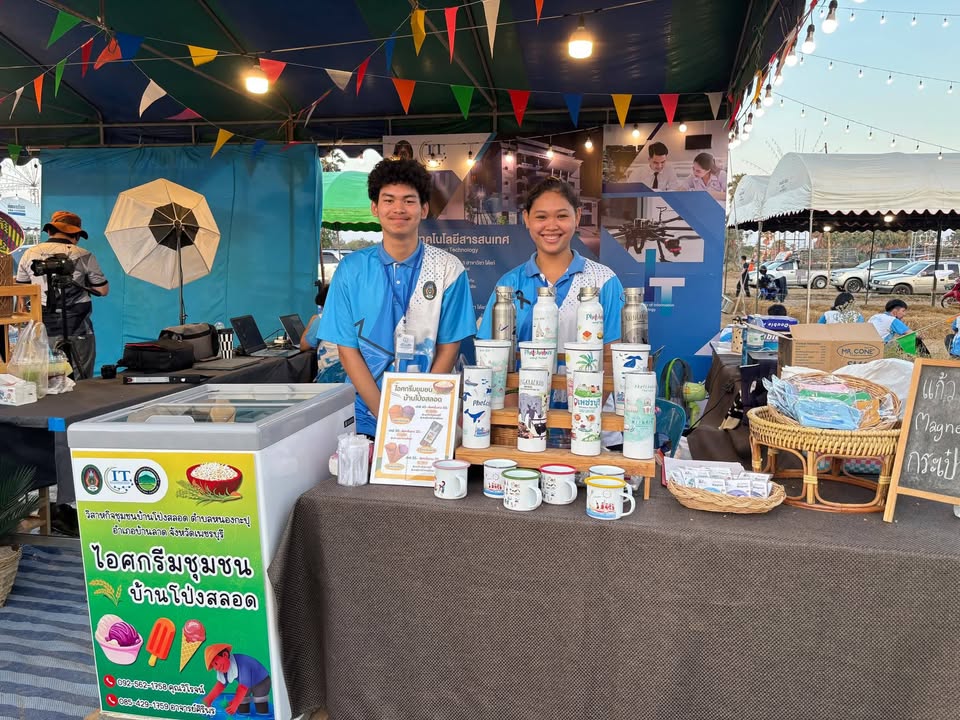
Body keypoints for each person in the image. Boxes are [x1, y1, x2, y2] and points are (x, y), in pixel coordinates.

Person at [318, 158, 476, 438]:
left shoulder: (449, 270)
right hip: (363, 418)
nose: (398, 209)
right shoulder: (350, 270)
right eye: (388, 200)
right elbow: (347, 350)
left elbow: (449, 348)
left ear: (423, 209)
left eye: (409, 201)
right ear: (375, 208)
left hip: (427, 416)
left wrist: (419, 410)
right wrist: (386, 416)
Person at [477, 177, 624, 349]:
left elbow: (613, 356)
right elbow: (490, 353)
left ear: (577, 217)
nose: (552, 226)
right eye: (541, 217)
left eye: (562, 216)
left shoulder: (604, 280)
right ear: (526, 218)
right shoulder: (508, 284)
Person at [15, 210, 109, 379]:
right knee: (82, 380)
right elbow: (102, 290)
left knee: (47, 380)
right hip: (78, 327)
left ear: (50, 231)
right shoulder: (84, 255)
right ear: (76, 235)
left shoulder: (29, 254)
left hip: (42, 328)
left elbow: (22, 290)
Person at [202, 643, 271, 716]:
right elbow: (221, 685)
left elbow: (243, 687)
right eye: (214, 667)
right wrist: (208, 700)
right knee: (242, 706)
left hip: (261, 681)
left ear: (225, 655)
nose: (216, 669)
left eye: (216, 663)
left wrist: (235, 704)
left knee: (260, 704)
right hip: (247, 684)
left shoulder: (243, 664)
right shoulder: (225, 667)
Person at [301, 283, 345, 383]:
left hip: (331, 375)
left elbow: (304, 345)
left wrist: (312, 321)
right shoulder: (355, 317)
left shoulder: (322, 319)